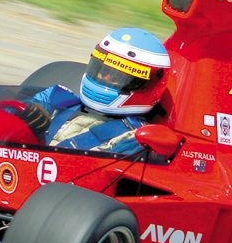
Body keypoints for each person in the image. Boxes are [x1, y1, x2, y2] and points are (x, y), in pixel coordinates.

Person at [18, 27, 171, 155]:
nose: (105, 76)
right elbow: (6, 119)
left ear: (146, 87)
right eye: (102, 68)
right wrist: (18, 114)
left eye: (118, 75)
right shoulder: (55, 97)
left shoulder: (133, 137)